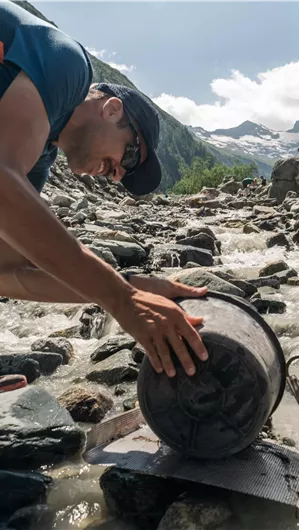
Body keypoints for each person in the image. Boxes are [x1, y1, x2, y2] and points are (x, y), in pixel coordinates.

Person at [0, 0, 209, 379]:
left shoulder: (37, 157)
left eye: (124, 175)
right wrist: (122, 299)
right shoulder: (68, 65)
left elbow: (6, 272)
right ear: (111, 109)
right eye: (129, 155)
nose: (117, 175)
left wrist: (126, 285)